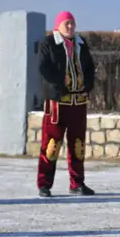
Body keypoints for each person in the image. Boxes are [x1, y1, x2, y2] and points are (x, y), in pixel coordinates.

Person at [36, 11, 96, 197]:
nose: (70, 27)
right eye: (66, 23)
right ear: (58, 25)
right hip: (57, 103)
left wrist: (88, 85)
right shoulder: (48, 43)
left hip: (78, 102)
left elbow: (90, 67)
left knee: (78, 145)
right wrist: (58, 86)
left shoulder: (81, 43)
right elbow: (44, 68)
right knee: (51, 145)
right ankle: (44, 184)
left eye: (72, 23)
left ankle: (77, 183)